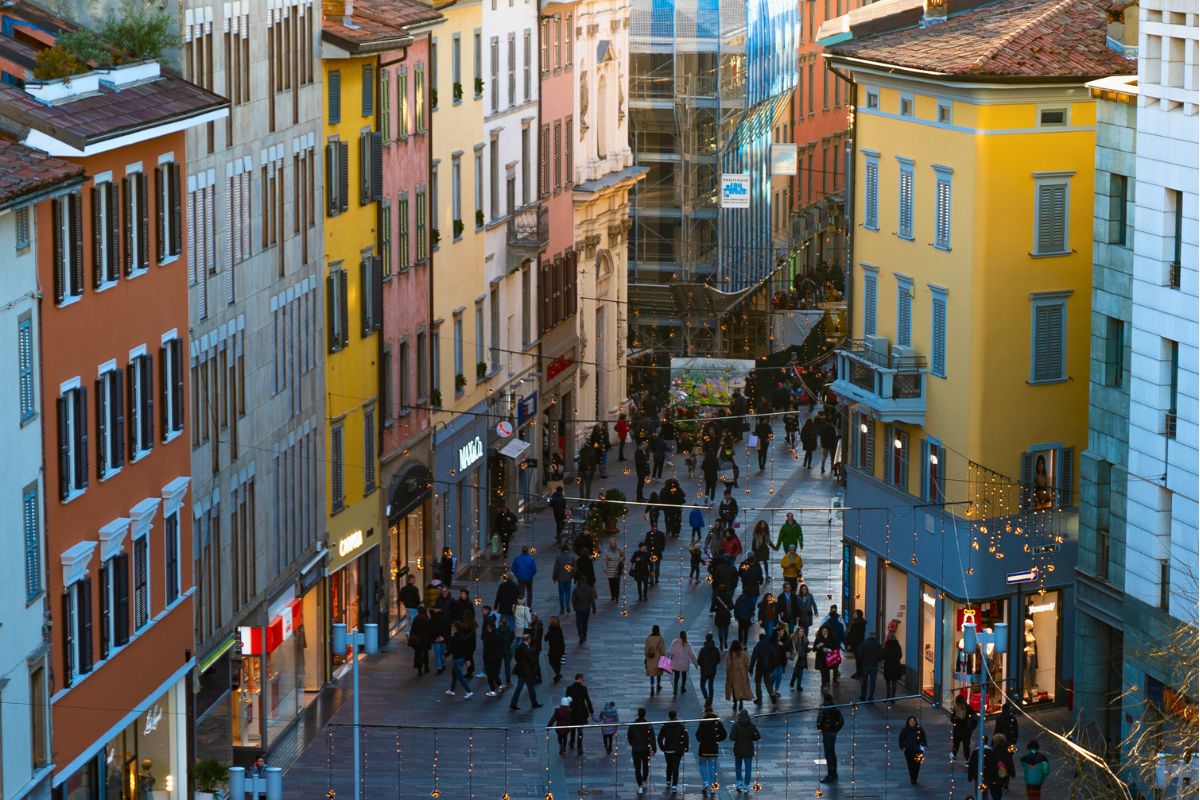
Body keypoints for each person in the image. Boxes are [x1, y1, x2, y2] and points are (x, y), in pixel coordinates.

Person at [694, 710, 728, 796]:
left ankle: (705, 782)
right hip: (713, 748)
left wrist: (702, 740)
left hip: (703, 748)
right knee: (712, 767)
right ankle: (713, 787)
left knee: (702, 764)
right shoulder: (717, 723)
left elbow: (698, 735)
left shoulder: (702, 723)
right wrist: (717, 739)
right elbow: (724, 734)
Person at [728, 709, 761, 793]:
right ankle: (746, 785)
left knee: (738, 766)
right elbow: (757, 737)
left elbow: (732, 738)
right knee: (748, 768)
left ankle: (739, 782)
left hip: (738, 749)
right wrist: (752, 737)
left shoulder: (736, 725)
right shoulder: (752, 726)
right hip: (748, 750)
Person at [658, 710, 689, 794]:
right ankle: (674, 785)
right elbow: (685, 737)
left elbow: (659, 738)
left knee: (669, 765)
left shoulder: (665, 726)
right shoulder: (681, 726)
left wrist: (662, 748)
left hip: (668, 749)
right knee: (676, 767)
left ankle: (668, 779)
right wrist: (685, 747)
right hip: (678, 750)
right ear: (675, 716)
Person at [509, 633, 543, 710]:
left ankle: (513, 703)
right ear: (528, 640)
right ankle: (534, 703)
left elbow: (516, 657)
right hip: (527, 672)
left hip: (520, 671)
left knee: (519, 688)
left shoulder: (518, 648)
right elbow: (531, 661)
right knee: (531, 688)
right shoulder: (528, 650)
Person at [627, 707, 657, 794]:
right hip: (645, 749)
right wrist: (654, 749)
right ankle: (644, 780)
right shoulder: (648, 725)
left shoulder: (633, 725)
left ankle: (639, 784)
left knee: (637, 768)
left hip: (636, 749)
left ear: (638, 713)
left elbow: (629, 737)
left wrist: (633, 744)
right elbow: (652, 737)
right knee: (645, 766)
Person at [968, 734, 1006, 800]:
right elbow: (994, 765)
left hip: (978, 775)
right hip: (988, 776)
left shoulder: (975, 752)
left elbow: (971, 765)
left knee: (980, 792)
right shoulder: (991, 752)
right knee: (985, 791)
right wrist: (994, 776)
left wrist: (970, 776)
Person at [816, 691, 843, 783]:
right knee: (832, 752)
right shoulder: (835, 709)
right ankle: (834, 773)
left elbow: (820, 720)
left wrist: (822, 727)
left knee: (828, 753)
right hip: (831, 733)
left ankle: (831, 774)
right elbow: (841, 721)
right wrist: (836, 730)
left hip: (828, 733)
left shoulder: (827, 709)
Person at [750, 632, 781, 706]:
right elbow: (775, 656)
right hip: (768, 668)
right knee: (768, 683)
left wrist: (751, 669)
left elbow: (753, 658)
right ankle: (772, 695)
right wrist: (773, 667)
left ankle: (759, 699)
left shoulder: (758, 645)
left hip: (759, 668)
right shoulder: (770, 645)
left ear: (759, 638)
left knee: (758, 683)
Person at [566, 674, 594, 754]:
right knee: (580, 730)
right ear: (580, 679)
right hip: (581, 711)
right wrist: (591, 712)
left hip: (572, 711)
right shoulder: (583, 688)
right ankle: (579, 747)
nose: (584, 680)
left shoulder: (569, 688)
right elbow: (587, 700)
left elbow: (567, 700)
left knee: (573, 728)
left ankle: (571, 742)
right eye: (583, 679)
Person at [446, 621, 475, 698]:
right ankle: (452, 690)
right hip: (462, 658)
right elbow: (466, 649)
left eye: (452, 627)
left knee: (459, 676)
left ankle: (468, 691)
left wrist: (445, 654)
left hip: (456, 659)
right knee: (454, 673)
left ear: (455, 628)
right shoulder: (462, 636)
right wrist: (468, 659)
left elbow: (451, 648)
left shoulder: (454, 637)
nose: (451, 628)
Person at [724, 640, 753, 713]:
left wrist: (728, 672)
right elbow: (747, 663)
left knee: (734, 688)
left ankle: (735, 703)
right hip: (742, 673)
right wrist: (748, 670)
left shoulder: (730, 653)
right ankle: (741, 702)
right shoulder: (743, 653)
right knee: (741, 688)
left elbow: (728, 664)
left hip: (733, 673)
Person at [898, 716, 928, 784]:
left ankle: (915, 778)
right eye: (911, 721)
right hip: (908, 751)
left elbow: (924, 738)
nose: (912, 722)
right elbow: (901, 739)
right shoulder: (905, 730)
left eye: (913, 721)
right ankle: (912, 777)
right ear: (908, 722)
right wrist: (902, 747)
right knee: (910, 764)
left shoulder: (919, 729)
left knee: (917, 765)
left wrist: (924, 745)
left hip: (919, 750)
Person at [856, 631, 884, 701]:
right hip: (874, 665)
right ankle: (871, 697)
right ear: (875, 637)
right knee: (873, 682)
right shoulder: (878, 645)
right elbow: (882, 655)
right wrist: (877, 660)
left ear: (869, 636)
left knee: (864, 681)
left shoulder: (863, 644)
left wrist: (863, 660)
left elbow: (859, 654)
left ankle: (863, 696)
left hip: (865, 665)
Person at [669, 631, 698, 695]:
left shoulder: (675, 642)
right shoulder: (688, 644)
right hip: (684, 664)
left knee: (676, 677)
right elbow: (692, 655)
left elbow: (671, 652)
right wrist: (696, 664)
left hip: (676, 663)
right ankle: (682, 687)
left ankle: (675, 689)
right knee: (684, 676)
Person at [482, 621, 505, 695]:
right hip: (497, 658)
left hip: (489, 658)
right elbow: (502, 645)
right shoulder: (499, 636)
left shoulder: (487, 637)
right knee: (495, 673)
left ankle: (492, 690)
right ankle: (500, 686)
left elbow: (486, 648)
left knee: (490, 675)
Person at [552, 546, 576, 615]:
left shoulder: (558, 558)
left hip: (560, 578)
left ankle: (562, 608)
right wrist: (571, 574)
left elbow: (556, 569)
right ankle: (567, 605)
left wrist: (554, 577)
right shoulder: (571, 558)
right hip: (568, 577)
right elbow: (574, 569)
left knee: (561, 594)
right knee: (568, 592)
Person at [571, 577, 596, 643]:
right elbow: (592, 600)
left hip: (578, 608)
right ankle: (584, 635)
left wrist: (574, 607)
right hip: (586, 608)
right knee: (585, 622)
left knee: (578, 622)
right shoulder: (589, 589)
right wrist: (594, 608)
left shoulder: (576, 590)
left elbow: (573, 600)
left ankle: (580, 633)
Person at [812, 625, 837, 691]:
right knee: (823, 671)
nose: (824, 632)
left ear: (828, 631)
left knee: (827, 671)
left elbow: (835, 647)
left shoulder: (831, 638)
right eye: (823, 631)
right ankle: (824, 684)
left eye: (826, 631)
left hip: (829, 658)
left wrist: (828, 649)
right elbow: (814, 649)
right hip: (820, 658)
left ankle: (826, 683)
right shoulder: (818, 638)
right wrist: (818, 645)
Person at [645, 625, 667, 696]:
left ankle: (652, 688)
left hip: (650, 658)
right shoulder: (660, 639)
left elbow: (646, 649)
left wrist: (647, 656)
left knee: (652, 674)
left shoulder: (648, 638)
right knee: (658, 673)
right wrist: (663, 657)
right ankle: (658, 685)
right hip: (658, 658)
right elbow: (663, 650)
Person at [883, 632, 905, 699]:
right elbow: (900, 655)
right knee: (894, 682)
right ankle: (893, 697)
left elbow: (884, 655)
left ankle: (888, 697)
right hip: (896, 665)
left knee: (888, 682)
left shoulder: (887, 646)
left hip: (888, 666)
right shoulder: (898, 646)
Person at [602, 538, 625, 602]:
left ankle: (617, 597)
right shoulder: (607, 552)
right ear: (609, 544)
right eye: (612, 543)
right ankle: (613, 595)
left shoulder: (619, 550)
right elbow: (604, 561)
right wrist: (604, 569)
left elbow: (624, 556)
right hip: (610, 569)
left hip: (617, 569)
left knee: (617, 584)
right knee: (611, 584)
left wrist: (621, 559)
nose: (613, 544)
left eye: (614, 543)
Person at [845, 610, 866, 676]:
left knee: (858, 658)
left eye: (855, 613)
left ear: (859, 614)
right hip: (859, 643)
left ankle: (859, 672)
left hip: (857, 643)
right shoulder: (860, 622)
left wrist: (850, 643)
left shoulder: (857, 623)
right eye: (854, 613)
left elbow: (854, 634)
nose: (854, 614)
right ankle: (859, 672)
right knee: (859, 658)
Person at [545, 616, 566, 682]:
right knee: (558, 662)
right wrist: (563, 649)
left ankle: (557, 674)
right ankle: (558, 674)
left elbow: (546, 638)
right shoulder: (559, 629)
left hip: (553, 649)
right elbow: (562, 640)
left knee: (551, 662)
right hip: (560, 648)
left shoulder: (551, 629)